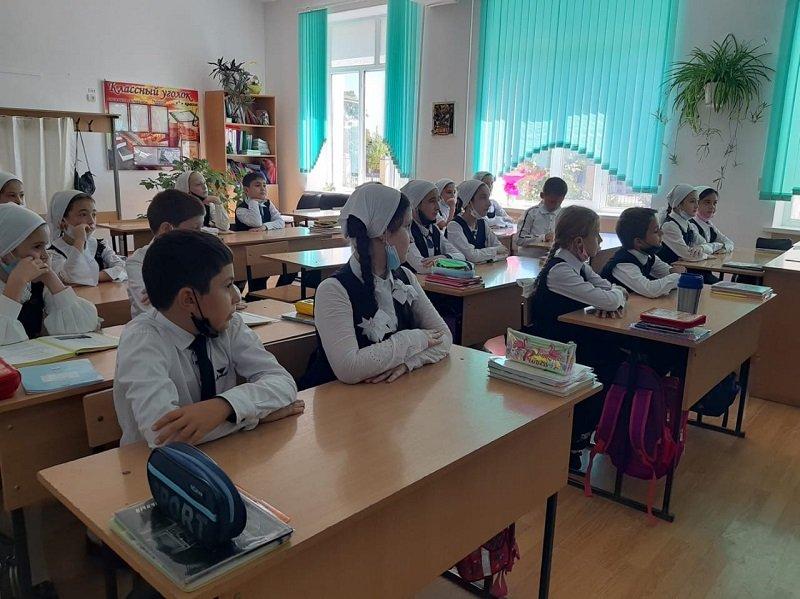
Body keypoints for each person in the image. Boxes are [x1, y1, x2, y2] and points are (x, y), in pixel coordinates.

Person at [113, 230, 301, 447]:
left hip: (225, 452)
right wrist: (252, 417)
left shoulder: (227, 324)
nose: (237, 297)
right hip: (153, 463)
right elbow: (166, 435)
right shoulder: (142, 341)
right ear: (188, 299)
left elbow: (283, 382)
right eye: (228, 286)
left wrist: (225, 406)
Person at [300, 182, 452, 388]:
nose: (410, 238)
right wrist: (414, 339)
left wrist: (409, 362)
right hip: (342, 400)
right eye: (406, 227)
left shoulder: (406, 276)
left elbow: (444, 337)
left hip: (391, 394)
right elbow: (349, 367)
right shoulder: (333, 290)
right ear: (384, 233)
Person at [526, 205, 627, 469]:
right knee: (608, 362)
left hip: (571, 341)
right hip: (553, 349)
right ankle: (574, 438)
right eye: (596, 234)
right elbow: (609, 298)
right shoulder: (560, 271)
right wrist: (613, 299)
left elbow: (612, 290)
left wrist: (613, 298)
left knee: (618, 354)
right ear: (578, 241)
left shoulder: (579, 266)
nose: (601, 240)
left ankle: (585, 432)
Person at [0, 203, 98, 345]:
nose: (45, 256)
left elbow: (82, 328)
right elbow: (5, 344)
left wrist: (50, 278)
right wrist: (16, 283)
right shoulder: (19, 282)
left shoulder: (35, 284)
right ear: (5, 252)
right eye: (37, 247)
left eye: (45, 246)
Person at [127, 190, 206, 319]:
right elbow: (151, 309)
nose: (200, 235)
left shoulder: (200, 254)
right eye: (195, 228)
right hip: (155, 329)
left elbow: (226, 291)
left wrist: (169, 294)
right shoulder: (138, 262)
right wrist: (198, 292)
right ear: (167, 229)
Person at [47, 190, 127, 286]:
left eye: (94, 214)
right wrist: (79, 241)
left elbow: (122, 267)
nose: (91, 221)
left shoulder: (99, 245)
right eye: (83, 214)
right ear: (62, 220)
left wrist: (91, 278)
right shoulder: (52, 254)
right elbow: (69, 277)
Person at [601, 207, 684, 298]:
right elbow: (650, 290)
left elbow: (666, 271)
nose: (661, 233)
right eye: (656, 231)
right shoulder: (623, 264)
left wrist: (673, 273)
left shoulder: (647, 255)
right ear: (639, 242)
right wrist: (677, 275)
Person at [402, 179, 464, 274]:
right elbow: (422, 267)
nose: (437, 207)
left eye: (438, 201)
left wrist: (442, 258)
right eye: (432, 201)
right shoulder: (406, 231)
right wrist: (451, 261)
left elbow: (461, 256)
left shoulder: (433, 229)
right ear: (415, 205)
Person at [446, 179, 510, 263]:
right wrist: (495, 251)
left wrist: (486, 258)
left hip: (483, 270)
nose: (489, 203)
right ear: (469, 202)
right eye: (483, 198)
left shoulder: (482, 223)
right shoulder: (454, 226)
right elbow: (471, 256)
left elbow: (504, 251)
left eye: (488, 198)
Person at [515, 176, 567, 256]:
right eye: (551, 201)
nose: (555, 205)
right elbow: (519, 239)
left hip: (552, 258)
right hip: (529, 258)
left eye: (559, 202)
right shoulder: (531, 213)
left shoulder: (564, 215)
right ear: (542, 195)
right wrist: (543, 238)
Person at [657, 184, 708, 265]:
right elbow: (689, 256)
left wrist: (701, 247)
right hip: (669, 270)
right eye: (692, 201)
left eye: (697, 201)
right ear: (678, 205)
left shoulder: (688, 224)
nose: (697, 206)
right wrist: (707, 255)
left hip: (684, 268)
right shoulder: (669, 226)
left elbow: (705, 243)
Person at [692, 186, 734, 254]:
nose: (712, 206)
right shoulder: (691, 224)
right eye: (707, 202)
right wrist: (720, 245)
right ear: (696, 203)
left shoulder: (709, 224)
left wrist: (725, 248)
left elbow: (729, 243)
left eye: (715, 203)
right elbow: (703, 248)